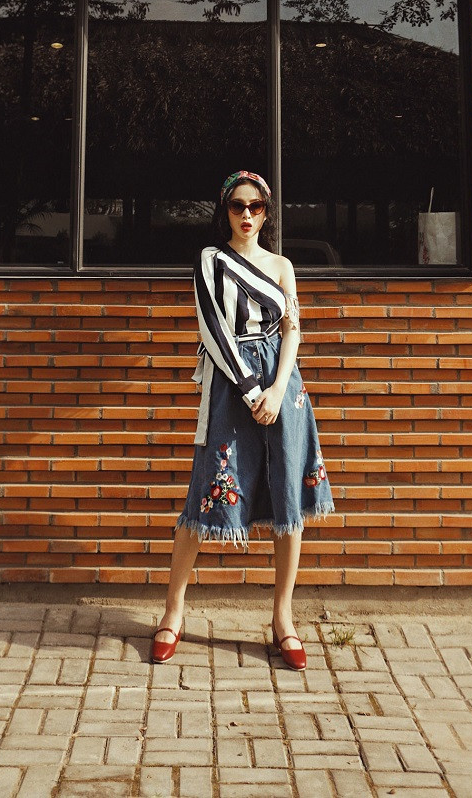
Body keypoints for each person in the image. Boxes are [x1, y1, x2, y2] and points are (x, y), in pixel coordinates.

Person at [151, 171, 334, 669]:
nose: (247, 214)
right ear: (225, 210)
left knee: (288, 496)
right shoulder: (211, 261)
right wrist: (254, 391)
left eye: (256, 206)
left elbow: (293, 330)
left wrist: (277, 389)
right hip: (233, 388)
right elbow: (213, 329)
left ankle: (283, 619)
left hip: (283, 389)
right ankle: (172, 613)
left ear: (267, 212)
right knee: (205, 490)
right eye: (238, 205)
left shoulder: (282, 266)